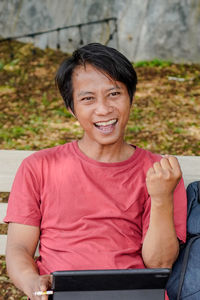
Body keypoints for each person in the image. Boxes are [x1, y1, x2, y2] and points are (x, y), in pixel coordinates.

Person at [4, 43, 187, 300]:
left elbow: (160, 264)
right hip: (62, 294)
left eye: (114, 94)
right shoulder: (39, 167)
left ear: (130, 99)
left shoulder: (161, 173)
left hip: (135, 295)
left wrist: (161, 198)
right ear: (72, 108)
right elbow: (19, 247)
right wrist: (32, 282)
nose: (103, 109)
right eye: (88, 98)